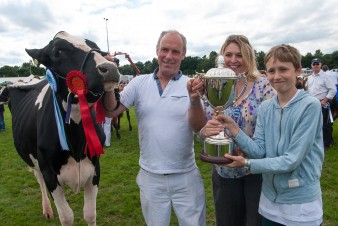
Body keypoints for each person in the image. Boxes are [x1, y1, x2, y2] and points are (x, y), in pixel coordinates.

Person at [202, 44, 324, 225]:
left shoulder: (310, 105)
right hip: (269, 204)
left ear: (298, 70)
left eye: (283, 69)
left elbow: (292, 160)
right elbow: (259, 150)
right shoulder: (266, 107)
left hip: (300, 205)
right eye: (271, 71)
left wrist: (247, 164)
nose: (277, 76)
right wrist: (234, 129)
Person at [103, 30, 206, 226]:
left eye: (175, 51)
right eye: (164, 50)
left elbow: (198, 127)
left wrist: (194, 100)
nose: (169, 56)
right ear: (157, 51)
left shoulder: (190, 85)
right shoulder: (139, 83)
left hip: (185, 175)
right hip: (150, 177)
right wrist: (109, 83)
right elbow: (111, 111)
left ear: (183, 55)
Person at [196, 34, 275, 226]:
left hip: (255, 169)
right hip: (224, 169)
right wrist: (202, 134)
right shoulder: (212, 86)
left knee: (255, 222)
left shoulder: (263, 85)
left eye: (239, 55)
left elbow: (272, 128)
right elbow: (202, 127)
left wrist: (246, 148)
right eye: (228, 55)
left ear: (248, 57)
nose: (233, 60)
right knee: (227, 221)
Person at [306, 58, 336, 149]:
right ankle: (317, 142)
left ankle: (326, 144)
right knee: (314, 124)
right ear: (311, 65)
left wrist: (325, 100)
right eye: (314, 64)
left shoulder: (325, 76)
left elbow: (333, 90)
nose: (315, 65)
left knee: (324, 124)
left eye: (317, 64)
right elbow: (308, 90)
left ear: (320, 65)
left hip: (322, 103)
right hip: (312, 103)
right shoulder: (310, 77)